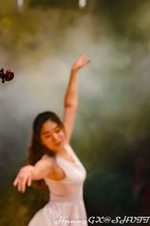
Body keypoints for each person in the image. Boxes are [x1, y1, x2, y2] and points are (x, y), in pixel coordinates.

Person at [13, 54, 90, 226]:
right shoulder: (50, 162)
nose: (56, 137)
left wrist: (74, 72)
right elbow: (38, 169)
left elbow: (70, 106)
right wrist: (28, 170)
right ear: (41, 141)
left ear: (62, 129)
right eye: (47, 135)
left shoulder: (65, 143)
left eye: (57, 130)